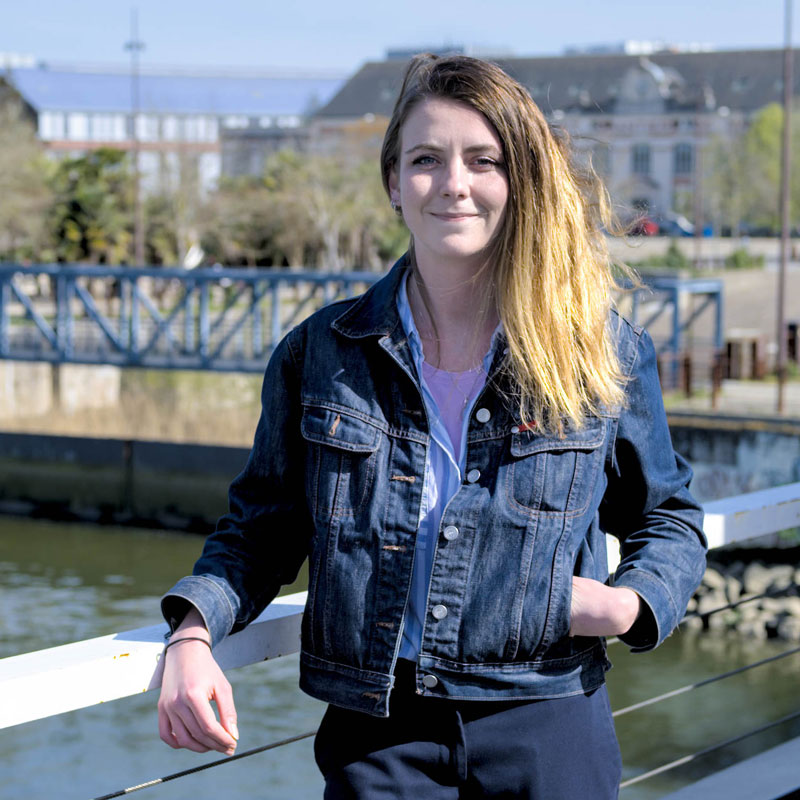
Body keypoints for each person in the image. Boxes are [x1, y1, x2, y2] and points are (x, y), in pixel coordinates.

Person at [157, 54, 706, 798]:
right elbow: (261, 529)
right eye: (425, 160)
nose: (454, 183)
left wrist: (630, 605)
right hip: (379, 730)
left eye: (484, 160)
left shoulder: (599, 353)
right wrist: (193, 632)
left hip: (547, 715)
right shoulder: (320, 355)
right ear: (393, 182)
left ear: (518, 183)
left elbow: (667, 519)